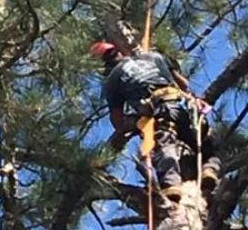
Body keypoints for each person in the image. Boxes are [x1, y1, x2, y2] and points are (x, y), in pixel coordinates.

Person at [90, 41, 221, 202]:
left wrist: (131, 127)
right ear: (118, 51)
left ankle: (171, 186)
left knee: (165, 145)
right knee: (206, 140)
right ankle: (210, 169)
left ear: (103, 66)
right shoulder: (154, 57)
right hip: (180, 105)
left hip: (158, 113)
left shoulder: (113, 80)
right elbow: (184, 84)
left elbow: (117, 120)